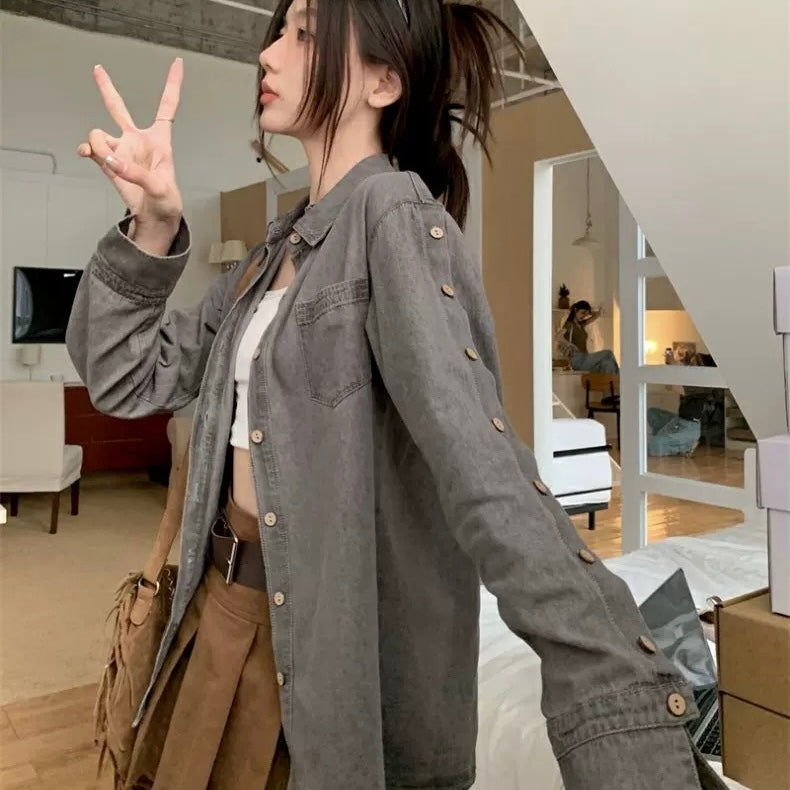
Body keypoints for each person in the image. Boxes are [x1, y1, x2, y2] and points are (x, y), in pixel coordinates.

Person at [66, 1, 727, 788]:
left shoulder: (395, 218)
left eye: (306, 34)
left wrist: (616, 686)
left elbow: (482, 467)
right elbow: (124, 373)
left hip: (310, 646)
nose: (269, 53)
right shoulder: (274, 250)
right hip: (218, 614)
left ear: (383, 83)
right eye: (278, 31)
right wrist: (153, 224)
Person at [561, 299, 620, 374]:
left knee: (608, 364)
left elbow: (597, 315)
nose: (584, 316)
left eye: (586, 314)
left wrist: (587, 311)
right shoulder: (569, 324)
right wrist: (569, 344)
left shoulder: (581, 324)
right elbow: (557, 337)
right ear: (575, 310)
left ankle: (610, 381)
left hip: (585, 357)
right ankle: (623, 378)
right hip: (577, 359)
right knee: (608, 353)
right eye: (582, 313)